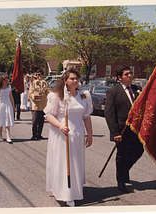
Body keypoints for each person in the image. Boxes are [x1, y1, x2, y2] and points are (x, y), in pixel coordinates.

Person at [43, 67, 93, 207]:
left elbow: (86, 116)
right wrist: (59, 125)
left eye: (77, 78)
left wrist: (89, 135)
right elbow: (48, 115)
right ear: (65, 81)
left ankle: (75, 190)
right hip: (62, 134)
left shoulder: (83, 96)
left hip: (78, 134)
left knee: (76, 162)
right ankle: (66, 193)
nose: (75, 80)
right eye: (72, 78)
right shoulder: (57, 96)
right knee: (65, 162)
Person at [104, 64, 144, 193]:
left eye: (130, 73)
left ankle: (124, 171)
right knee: (122, 155)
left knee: (138, 150)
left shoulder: (136, 89)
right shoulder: (113, 92)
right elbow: (109, 114)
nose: (130, 76)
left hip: (136, 130)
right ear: (119, 78)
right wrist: (115, 133)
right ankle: (121, 181)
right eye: (126, 74)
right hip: (121, 130)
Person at [29, 69, 50, 140]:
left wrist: (46, 90)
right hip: (35, 104)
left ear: (42, 75)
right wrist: (34, 96)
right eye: (36, 75)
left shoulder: (46, 83)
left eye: (39, 74)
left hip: (43, 104)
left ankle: (39, 134)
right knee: (35, 120)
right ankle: (34, 134)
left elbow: (50, 93)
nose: (38, 76)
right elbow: (30, 93)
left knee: (41, 120)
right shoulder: (33, 83)